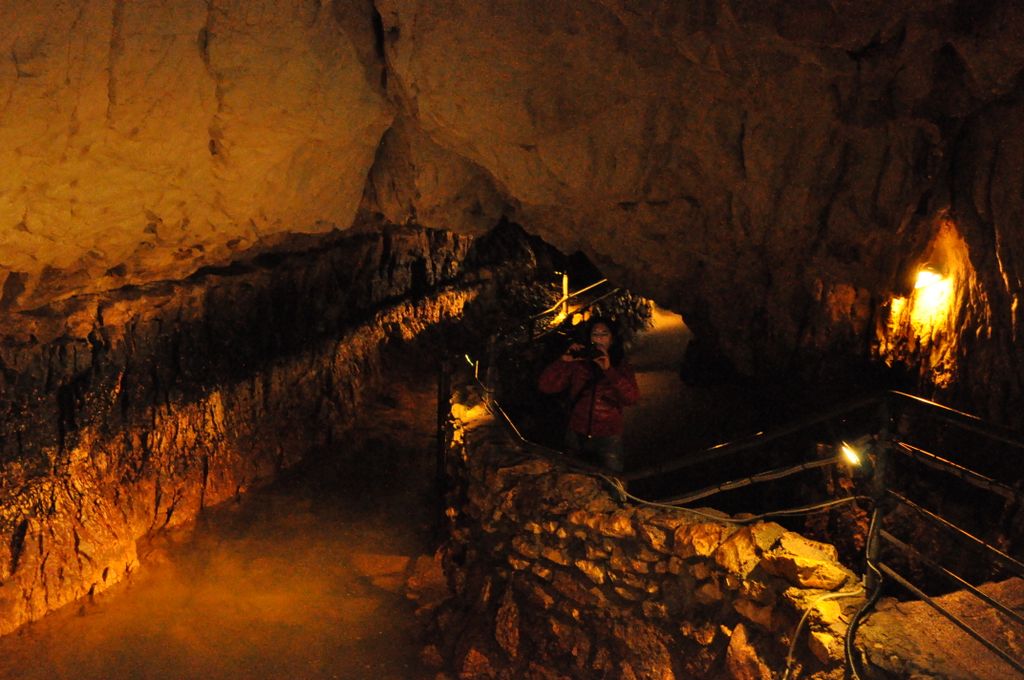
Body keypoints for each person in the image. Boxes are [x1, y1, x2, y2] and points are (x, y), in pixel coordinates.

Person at [537, 317, 639, 472]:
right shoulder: (579, 363)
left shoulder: (621, 367)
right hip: (577, 432)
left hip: (608, 435)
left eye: (604, 334)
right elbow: (546, 386)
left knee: (611, 479)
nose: (599, 339)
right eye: (595, 334)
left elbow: (631, 398)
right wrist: (563, 361)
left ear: (612, 339)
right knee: (574, 479)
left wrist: (609, 370)